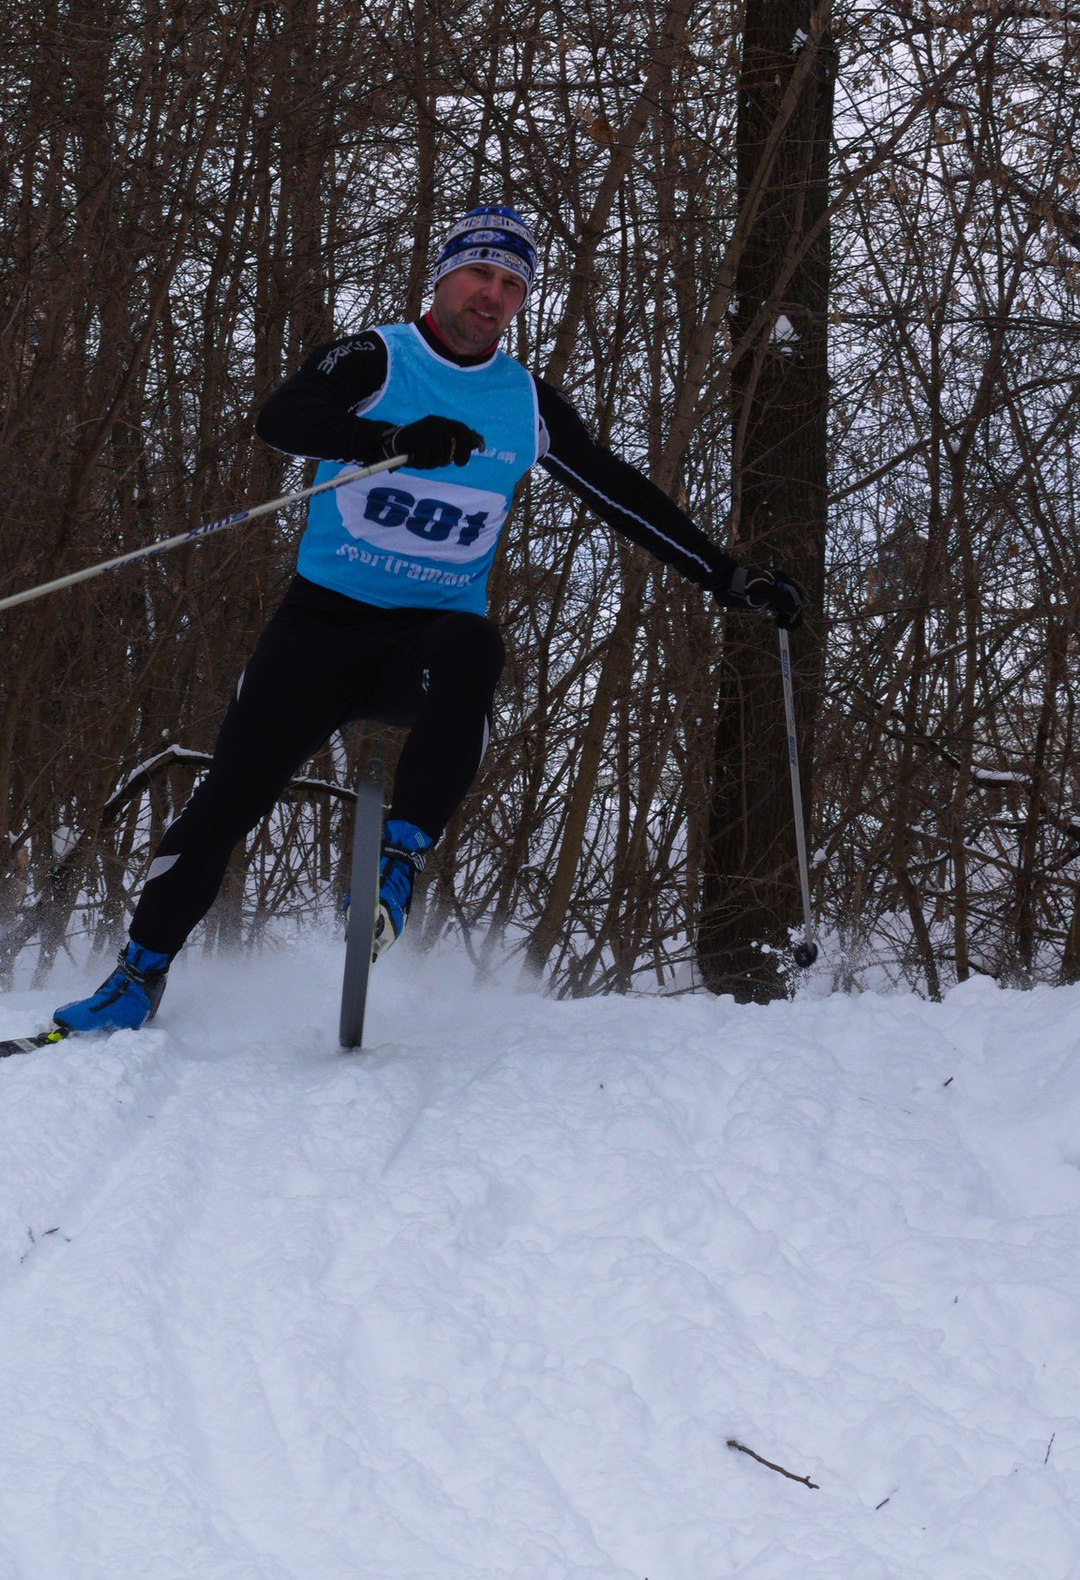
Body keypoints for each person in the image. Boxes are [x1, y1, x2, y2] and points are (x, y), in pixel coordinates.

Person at [52, 203, 801, 1031]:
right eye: (481, 273)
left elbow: (620, 494)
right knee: (227, 799)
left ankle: (395, 867)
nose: (493, 295)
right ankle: (137, 975)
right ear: (444, 276)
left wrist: (726, 576)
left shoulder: (525, 402)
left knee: (476, 645)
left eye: (513, 285)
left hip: (425, 641)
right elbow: (283, 416)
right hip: (320, 629)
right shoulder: (377, 356)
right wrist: (387, 435)